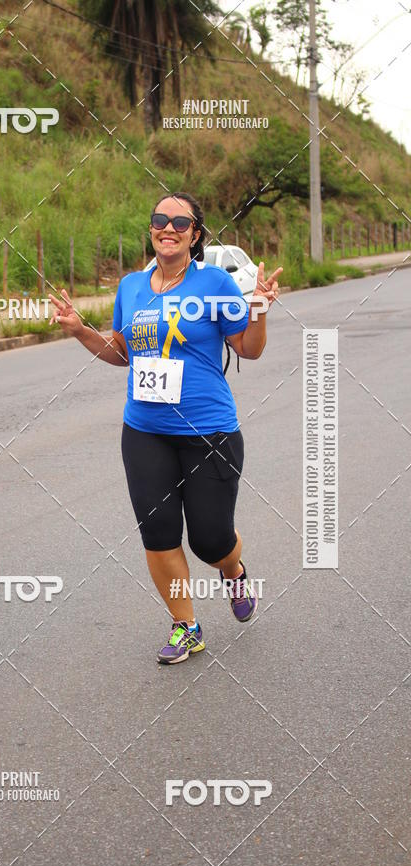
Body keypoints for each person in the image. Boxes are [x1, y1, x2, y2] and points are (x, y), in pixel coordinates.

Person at [49, 191, 282, 664]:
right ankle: (186, 626)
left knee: (211, 540)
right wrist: (79, 330)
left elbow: (249, 349)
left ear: (195, 234)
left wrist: (257, 308)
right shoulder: (131, 287)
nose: (168, 228)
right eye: (160, 220)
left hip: (209, 430)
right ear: (151, 229)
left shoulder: (214, 282)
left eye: (180, 222)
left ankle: (233, 571)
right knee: (158, 532)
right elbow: (121, 353)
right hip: (145, 430)